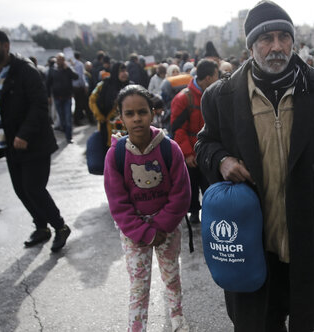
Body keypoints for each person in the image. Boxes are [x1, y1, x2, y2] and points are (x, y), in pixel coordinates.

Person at [195, 1, 314, 330]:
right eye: (267, 38)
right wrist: (221, 160)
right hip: (253, 242)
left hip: (304, 235)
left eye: (284, 36)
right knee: (256, 323)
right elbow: (203, 145)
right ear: (251, 45)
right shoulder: (220, 97)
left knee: (303, 319)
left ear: (294, 41)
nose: (277, 46)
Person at [103, 85, 191, 332]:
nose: (136, 118)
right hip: (134, 233)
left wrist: (160, 226)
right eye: (129, 114)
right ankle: (136, 327)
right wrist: (144, 232)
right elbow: (118, 204)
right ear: (121, 117)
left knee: (171, 276)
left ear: (152, 113)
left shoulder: (169, 148)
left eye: (142, 112)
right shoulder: (115, 155)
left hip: (168, 228)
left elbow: (181, 194)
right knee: (139, 286)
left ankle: (177, 317)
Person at [0, 26, 71, 251]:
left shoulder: (25, 70)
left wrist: (24, 134)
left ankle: (60, 226)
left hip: (33, 143)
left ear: (5, 46)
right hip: (10, 144)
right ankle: (41, 227)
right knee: (21, 190)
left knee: (34, 188)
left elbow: (39, 105)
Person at [170, 59, 219, 224]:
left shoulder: (213, 95)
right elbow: (178, 130)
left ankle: (211, 212)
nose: (218, 79)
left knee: (210, 184)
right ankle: (193, 211)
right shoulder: (183, 98)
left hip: (208, 151)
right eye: (216, 76)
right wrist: (188, 153)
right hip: (190, 150)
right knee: (191, 183)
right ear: (208, 78)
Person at [89, 62, 131, 151]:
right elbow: (92, 99)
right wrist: (99, 115)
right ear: (116, 72)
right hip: (108, 127)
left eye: (126, 71)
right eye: (121, 71)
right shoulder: (104, 85)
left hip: (128, 127)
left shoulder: (131, 86)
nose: (125, 73)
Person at [47, 53, 79, 143]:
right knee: (62, 118)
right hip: (57, 97)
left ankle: (69, 137)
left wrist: (68, 69)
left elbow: (76, 77)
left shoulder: (68, 69)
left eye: (62, 59)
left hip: (67, 97)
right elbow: (48, 83)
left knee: (68, 117)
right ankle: (65, 130)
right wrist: (48, 96)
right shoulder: (52, 70)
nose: (60, 61)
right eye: (58, 59)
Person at [71, 51, 92, 125]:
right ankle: (80, 120)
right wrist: (85, 85)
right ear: (79, 57)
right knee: (82, 104)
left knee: (78, 104)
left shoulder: (71, 64)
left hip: (73, 87)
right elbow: (81, 76)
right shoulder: (80, 64)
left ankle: (77, 120)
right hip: (80, 87)